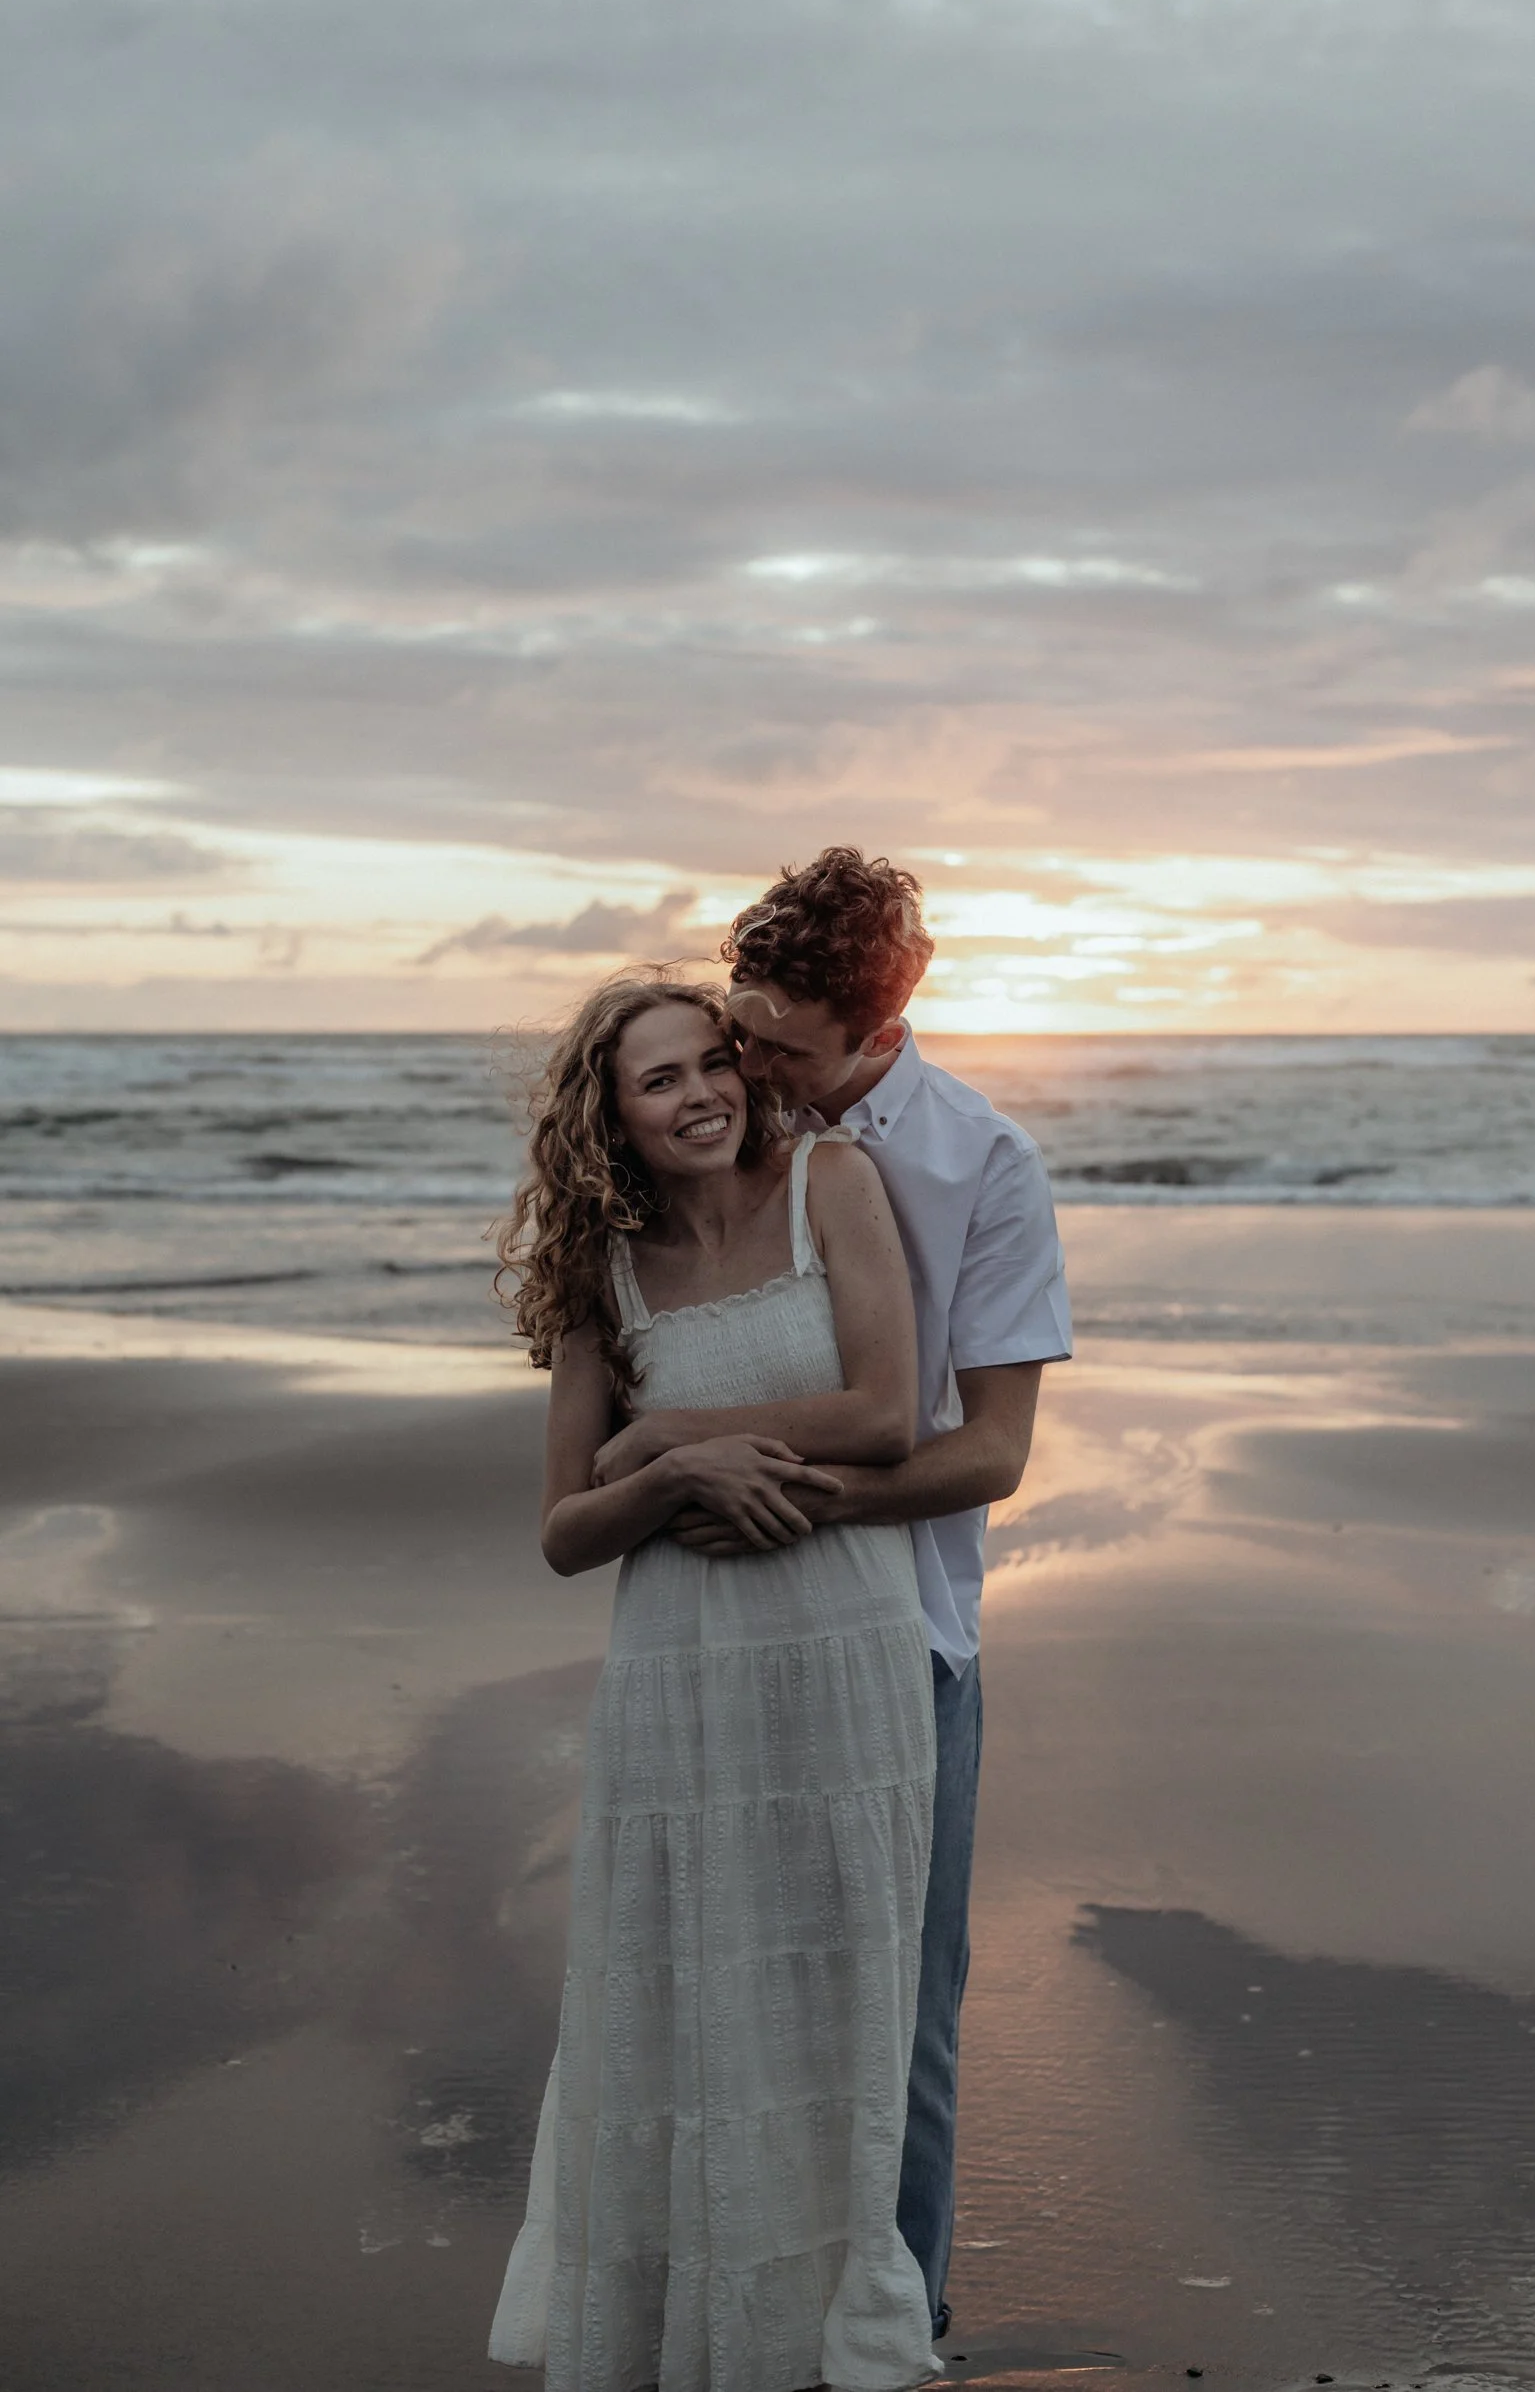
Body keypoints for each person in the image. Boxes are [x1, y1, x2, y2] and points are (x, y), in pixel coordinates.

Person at [612, 849, 1074, 2344]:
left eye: (786, 1050)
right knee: (724, 1996)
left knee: (899, 2019)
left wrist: (774, 1498)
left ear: (879, 1032)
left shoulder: (977, 1164)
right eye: (739, 1033)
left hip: (906, 1637)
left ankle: (895, 2335)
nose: (751, 1072)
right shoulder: (713, 1135)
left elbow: (988, 1450)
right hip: (713, 1639)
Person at [488, 973, 940, 2392]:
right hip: (681, 1669)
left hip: (847, 1647)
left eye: (709, 1065)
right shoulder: (598, 1278)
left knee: (841, 1983)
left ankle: (824, 2324)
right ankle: (686, 2324)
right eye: (658, 1081)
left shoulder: (831, 1180)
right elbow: (566, 1533)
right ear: (607, 1119)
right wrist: (671, 1472)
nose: (701, 1096)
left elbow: (881, 1410)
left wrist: (672, 1426)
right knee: (680, 1987)